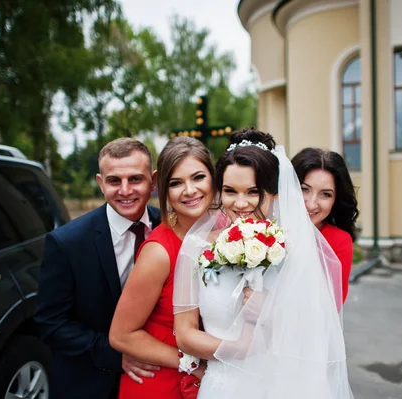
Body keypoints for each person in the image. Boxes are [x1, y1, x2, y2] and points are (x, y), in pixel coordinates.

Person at [173, 129, 354, 398]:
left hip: (285, 385)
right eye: (230, 191)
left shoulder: (296, 251)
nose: (241, 203)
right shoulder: (196, 248)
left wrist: (273, 314)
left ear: (274, 194)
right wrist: (240, 348)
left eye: (253, 192)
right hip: (223, 385)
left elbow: (317, 333)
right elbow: (185, 335)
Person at [35, 137, 161, 399]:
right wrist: (115, 354)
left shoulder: (171, 228)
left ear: (153, 180)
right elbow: (51, 323)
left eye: (135, 179)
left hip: (159, 378)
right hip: (89, 382)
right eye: (114, 180)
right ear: (101, 183)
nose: (125, 190)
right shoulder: (67, 243)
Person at [109, 136, 215, 398]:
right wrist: (193, 364)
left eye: (198, 177)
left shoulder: (234, 233)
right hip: (163, 381)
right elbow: (121, 335)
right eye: (176, 183)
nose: (189, 190)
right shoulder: (159, 251)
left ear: (214, 178)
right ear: (164, 190)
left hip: (216, 379)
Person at [291, 147, 359, 302]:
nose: (311, 204)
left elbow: (331, 307)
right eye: (304, 189)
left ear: (335, 200)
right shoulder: (264, 231)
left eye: (325, 194)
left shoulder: (338, 241)